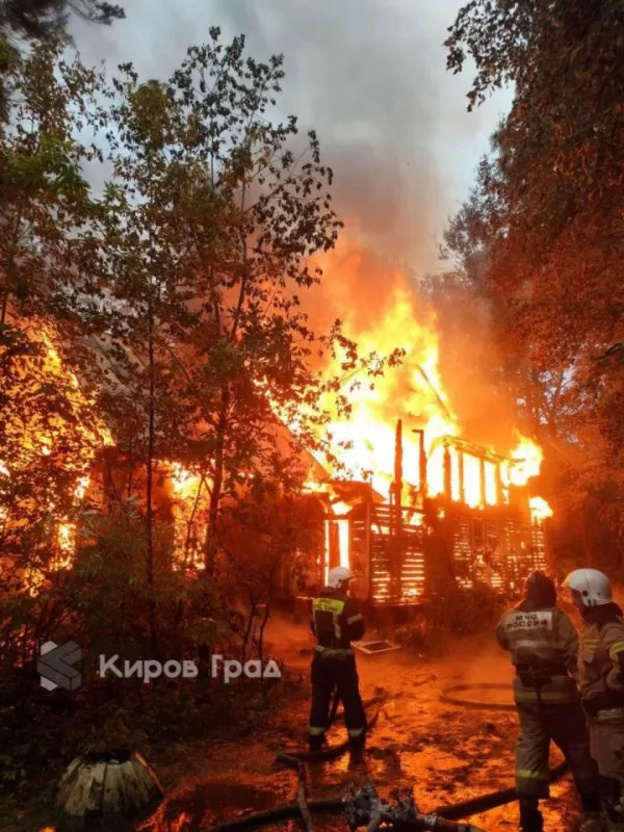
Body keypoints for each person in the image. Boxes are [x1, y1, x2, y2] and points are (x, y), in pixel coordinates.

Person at [496, 571, 602, 832]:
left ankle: (528, 813)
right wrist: (587, 688)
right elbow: (574, 654)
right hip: (559, 695)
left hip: (525, 695)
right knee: (578, 744)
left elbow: (503, 641)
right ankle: (593, 806)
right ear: (548, 593)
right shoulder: (556, 617)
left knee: (531, 746)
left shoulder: (508, 619)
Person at [564, 568, 624, 829]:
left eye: (576, 596)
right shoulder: (593, 627)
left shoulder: (611, 627)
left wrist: (604, 689)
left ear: (591, 596)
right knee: (604, 778)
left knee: (614, 783)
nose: (573, 602)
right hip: (600, 721)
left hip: (614, 721)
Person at [308, 566, 366, 751]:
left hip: (321, 657)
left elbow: (313, 626)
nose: (348, 587)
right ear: (339, 583)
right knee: (351, 700)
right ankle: (357, 742)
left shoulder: (316, 601)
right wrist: (343, 637)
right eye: (347, 583)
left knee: (320, 698)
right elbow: (358, 632)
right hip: (342, 659)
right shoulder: (347, 603)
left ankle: (315, 740)